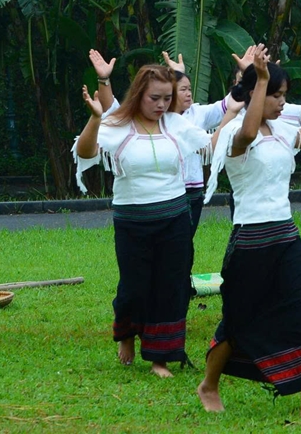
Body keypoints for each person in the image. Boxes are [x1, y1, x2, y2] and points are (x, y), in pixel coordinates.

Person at [196, 47, 301, 417]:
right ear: (254, 93)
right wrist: (261, 79)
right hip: (250, 239)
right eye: (275, 95)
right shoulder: (234, 131)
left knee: (300, 312)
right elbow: (249, 133)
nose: (282, 103)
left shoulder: (283, 131)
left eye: (283, 96)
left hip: (285, 236)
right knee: (239, 319)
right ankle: (209, 383)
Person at [74, 51, 212, 377]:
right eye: (155, 98)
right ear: (139, 95)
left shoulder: (177, 124)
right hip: (132, 221)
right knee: (135, 287)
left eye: (167, 98)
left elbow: (210, 144)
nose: (162, 105)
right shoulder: (117, 125)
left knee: (172, 286)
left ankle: (160, 358)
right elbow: (85, 151)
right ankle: (126, 335)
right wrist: (95, 118)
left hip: (175, 217)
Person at [161, 50, 242, 235]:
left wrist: (246, 74)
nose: (189, 94)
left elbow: (230, 102)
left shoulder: (198, 114)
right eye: (183, 89)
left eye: (190, 89)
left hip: (194, 190)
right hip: (168, 192)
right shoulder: (158, 118)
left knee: (185, 243)